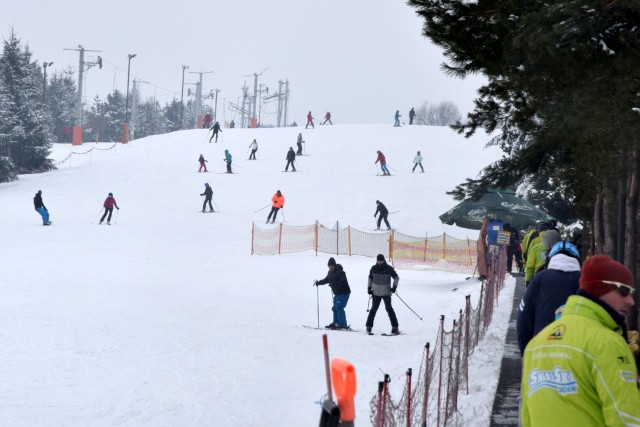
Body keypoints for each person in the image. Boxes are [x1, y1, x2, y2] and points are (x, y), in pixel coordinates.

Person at [520, 254, 640, 426]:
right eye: (623, 290)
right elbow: (627, 419)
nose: (630, 300)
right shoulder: (607, 343)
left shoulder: (535, 345)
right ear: (600, 289)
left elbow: (527, 417)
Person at [516, 241, 581, 356]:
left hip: (541, 352)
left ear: (550, 258)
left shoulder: (539, 279)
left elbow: (523, 316)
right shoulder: (584, 281)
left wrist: (525, 352)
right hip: (577, 353)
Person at [366, 254, 400, 335]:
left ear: (384, 260)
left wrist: (394, 287)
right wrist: (369, 288)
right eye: (378, 260)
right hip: (376, 293)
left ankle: (395, 327)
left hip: (386, 293)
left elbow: (396, 277)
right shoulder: (373, 268)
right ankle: (368, 326)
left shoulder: (388, 268)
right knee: (373, 309)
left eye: (381, 260)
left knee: (389, 309)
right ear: (377, 260)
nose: (380, 262)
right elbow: (370, 278)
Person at [314, 257, 351, 330]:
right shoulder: (330, 273)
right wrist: (319, 282)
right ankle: (336, 322)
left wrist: (334, 283)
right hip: (337, 294)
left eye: (332, 266)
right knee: (334, 307)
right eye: (329, 266)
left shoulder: (341, 272)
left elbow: (342, 281)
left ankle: (342, 324)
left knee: (339, 307)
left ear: (335, 265)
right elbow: (326, 280)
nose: (331, 267)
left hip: (344, 293)